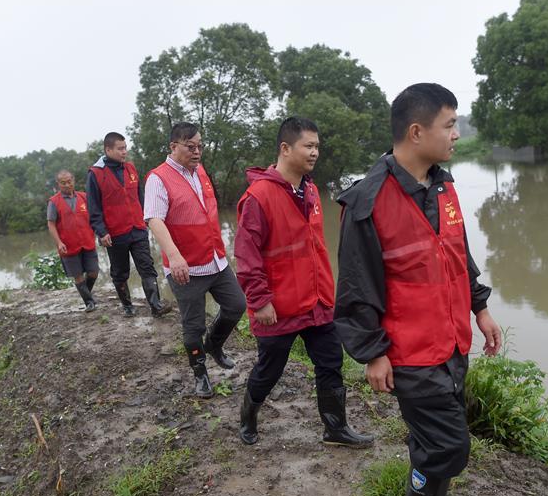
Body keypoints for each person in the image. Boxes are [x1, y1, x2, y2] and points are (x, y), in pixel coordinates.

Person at [334, 83, 503, 496]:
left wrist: (481, 309)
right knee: (449, 445)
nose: (456, 133)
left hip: (451, 340)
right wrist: (371, 352)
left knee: (430, 443)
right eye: (449, 125)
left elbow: (457, 255)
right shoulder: (369, 200)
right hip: (410, 351)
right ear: (416, 131)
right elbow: (356, 287)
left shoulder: (443, 185)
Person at [234, 116, 373, 449]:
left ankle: (335, 428)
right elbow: (247, 255)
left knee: (330, 362)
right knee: (270, 370)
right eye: (308, 146)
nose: (315, 153)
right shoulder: (258, 197)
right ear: (285, 148)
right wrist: (259, 300)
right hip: (278, 305)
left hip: (317, 300)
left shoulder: (309, 189)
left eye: (317, 147)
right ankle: (248, 415)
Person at [144, 122, 247, 398]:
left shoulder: (199, 171)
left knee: (237, 305)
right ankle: (200, 372)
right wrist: (175, 255)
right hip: (185, 267)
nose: (197, 151)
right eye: (191, 147)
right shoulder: (158, 178)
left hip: (215, 259)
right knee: (193, 326)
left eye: (200, 146)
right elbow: (154, 218)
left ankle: (214, 345)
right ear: (173, 146)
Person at [87, 132, 172, 318]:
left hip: (137, 228)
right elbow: (93, 207)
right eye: (120, 148)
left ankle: (156, 306)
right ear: (108, 149)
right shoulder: (95, 174)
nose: (124, 152)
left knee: (147, 266)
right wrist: (101, 232)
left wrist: (148, 218)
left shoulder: (131, 169)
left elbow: (141, 197)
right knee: (120, 272)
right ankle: (127, 305)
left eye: (125, 148)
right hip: (115, 233)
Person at [46, 170, 99, 312]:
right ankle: (89, 302)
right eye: (63, 183)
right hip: (68, 245)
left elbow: (94, 217)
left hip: (87, 241)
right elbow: (51, 224)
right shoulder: (54, 202)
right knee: (78, 275)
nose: (67, 185)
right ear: (58, 184)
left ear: (73, 181)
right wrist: (59, 242)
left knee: (93, 271)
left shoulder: (84, 197)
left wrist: (99, 234)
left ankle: (86, 293)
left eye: (69, 181)